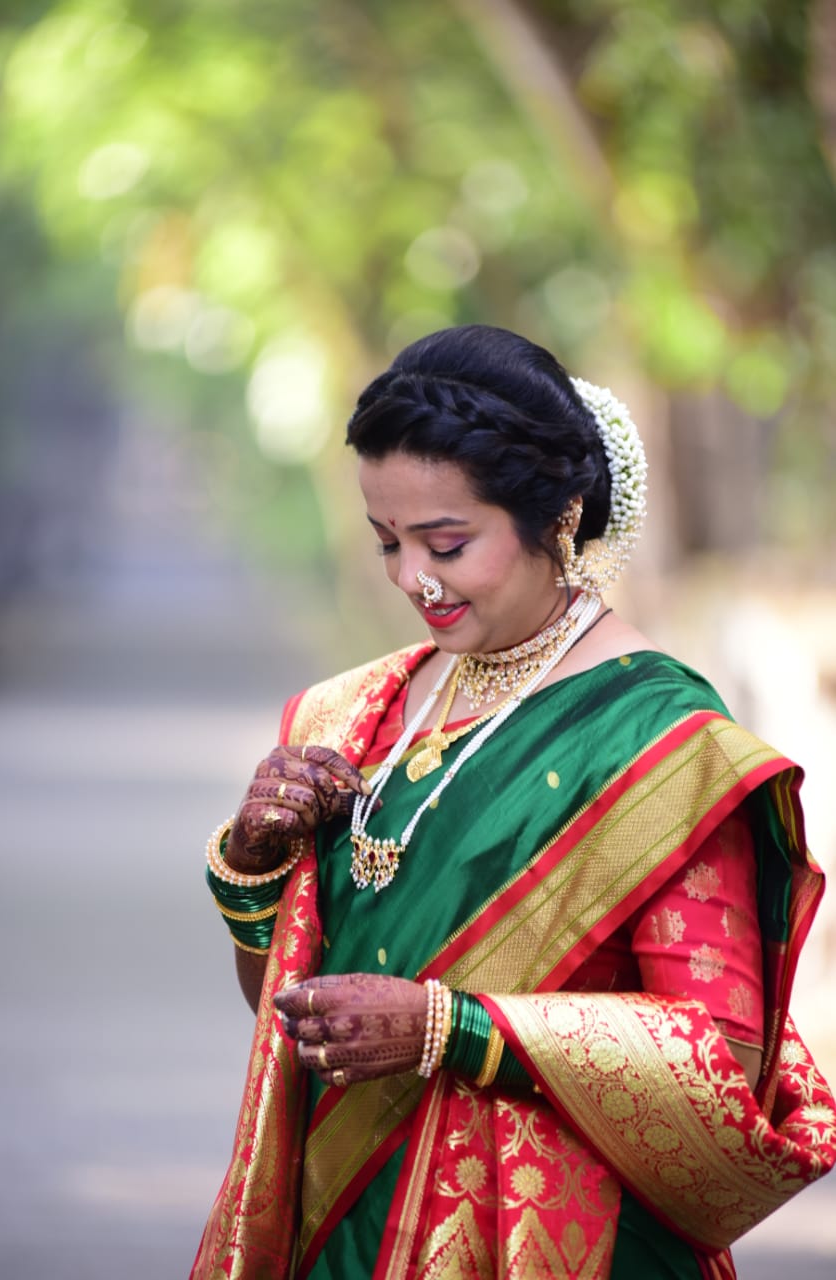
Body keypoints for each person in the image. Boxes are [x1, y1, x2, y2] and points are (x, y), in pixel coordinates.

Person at [191, 326, 835, 1280]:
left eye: (447, 542)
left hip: (555, 1236)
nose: (415, 578)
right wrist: (253, 869)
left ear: (558, 516)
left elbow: (720, 1061)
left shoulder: (657, 744)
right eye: (387, 543)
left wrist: (453, 1028)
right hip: (347, 1223)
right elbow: (291, 1018)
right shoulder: (358, 715)